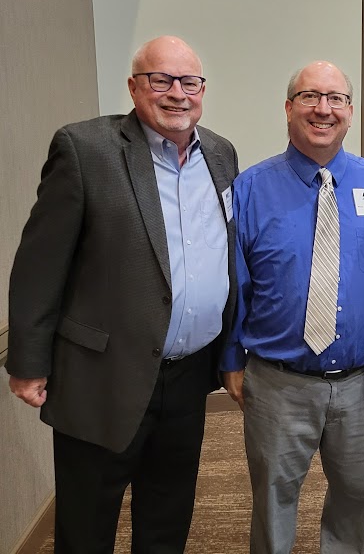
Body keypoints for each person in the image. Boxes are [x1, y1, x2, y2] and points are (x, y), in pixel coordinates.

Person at [6, 36, 238, 552]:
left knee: (167, 516)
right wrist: (27, 359)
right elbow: (39, 264)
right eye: (162, 80)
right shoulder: (85, 149)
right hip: (101, 376)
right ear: (134, 87)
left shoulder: (220, 154)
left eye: (190, 82)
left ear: (203, 90)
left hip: (187, 377)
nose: (178, 93)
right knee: (87, 526)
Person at [221, 61, 364, 554]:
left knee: (356, 497)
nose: (323, 108)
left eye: (335, 98)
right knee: (273, 497)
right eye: (310, 96)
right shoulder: (249, 188)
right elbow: (234, 282)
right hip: (278, 382)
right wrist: (231, 358)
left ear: (350, 112)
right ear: (289, 108)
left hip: (360, 384)